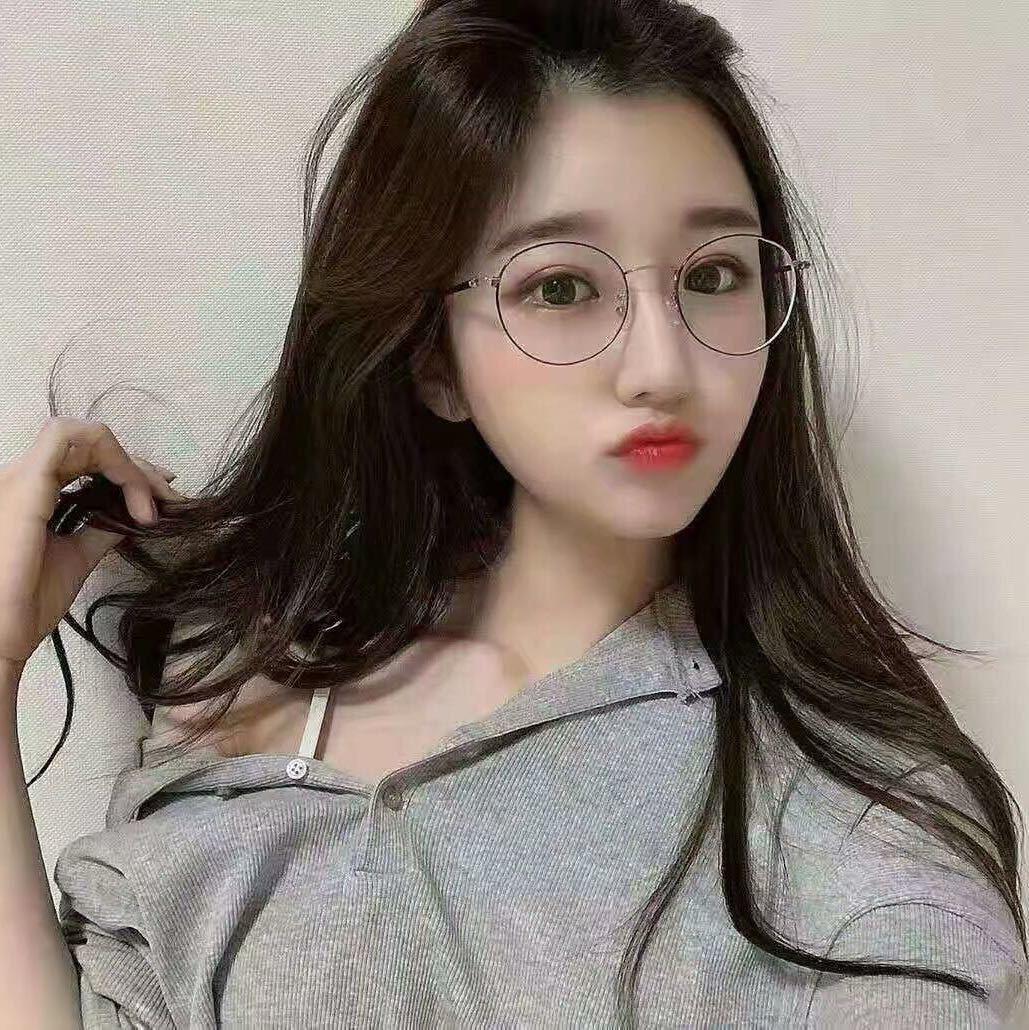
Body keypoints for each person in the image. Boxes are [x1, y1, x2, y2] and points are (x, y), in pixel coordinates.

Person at [1, 1, 1026, 1027]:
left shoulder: (849, 830)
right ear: (433, 360)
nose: (663, 366)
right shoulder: (244, 676)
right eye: (562, 287)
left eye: (714, 275)